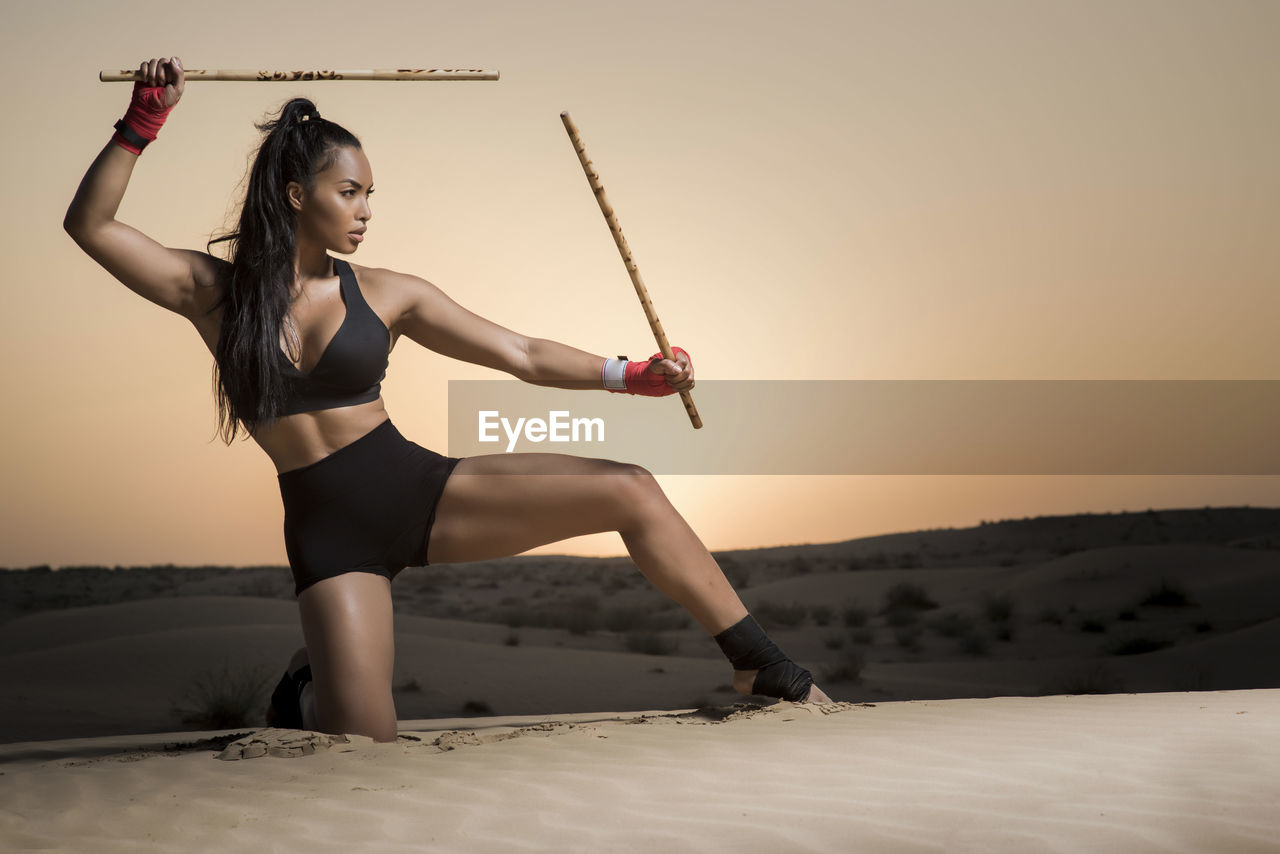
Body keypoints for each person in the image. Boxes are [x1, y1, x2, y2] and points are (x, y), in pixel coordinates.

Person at [63, 56, 831, 743]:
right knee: (365, 745)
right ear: (298, 195)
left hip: (415, 490)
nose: (365, 210)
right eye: (350, 192)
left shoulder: (392, 293)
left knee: (630, 488)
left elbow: (520, 352)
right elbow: (90, 226)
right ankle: (305, 685)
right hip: (329, 535)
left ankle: (757, 664)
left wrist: (631, 375)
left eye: (371, 195)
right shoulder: (215, 292)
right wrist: (144, 121)